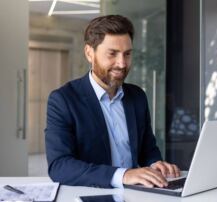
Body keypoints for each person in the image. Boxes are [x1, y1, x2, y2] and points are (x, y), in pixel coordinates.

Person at [45, 15, 180, 189]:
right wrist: (123, 175)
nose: (122, 63)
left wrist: (155, 163)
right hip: (91, 195)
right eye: (112, 54)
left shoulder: (137, 96)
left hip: (134, 194)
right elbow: (59, 167)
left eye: (127, 54)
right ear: (89, 53)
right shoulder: (63, 100)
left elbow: (147, 148)